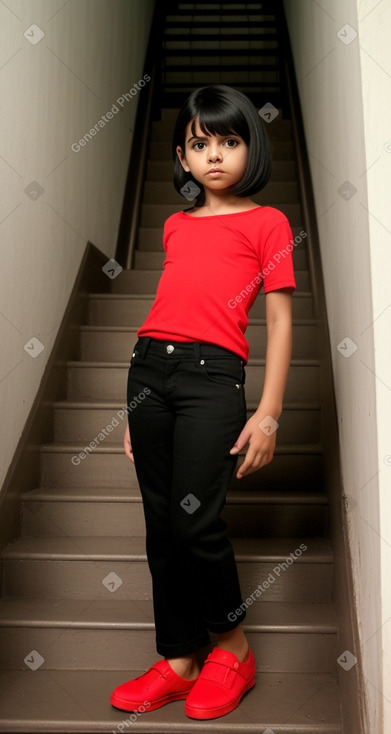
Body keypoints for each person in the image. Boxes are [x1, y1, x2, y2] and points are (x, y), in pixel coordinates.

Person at [110, 84, 296, 720]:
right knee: (161, 526)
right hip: (147, 373)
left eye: (229, 141)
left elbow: (278, 320)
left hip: (213, 378)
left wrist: (268, 410)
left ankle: (234, 649)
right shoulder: (172, 224)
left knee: (195, 521)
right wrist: (133, 405)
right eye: (199, 143)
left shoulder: (269, 223)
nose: (214, 155)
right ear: (183, 157)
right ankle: (180, 657)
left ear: (251, 148)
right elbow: (167, 307)